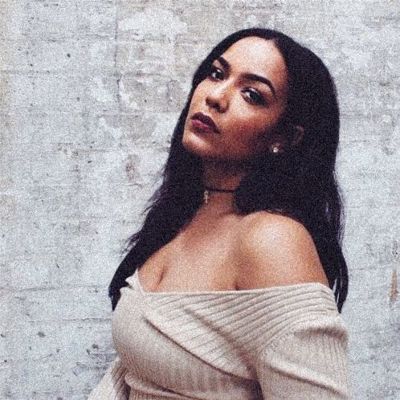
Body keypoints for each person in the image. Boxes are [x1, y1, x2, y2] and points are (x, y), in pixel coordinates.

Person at [88, 27, 350, 399]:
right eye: (216, 73)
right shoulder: (186, 214)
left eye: (252, 94)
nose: (215, 96)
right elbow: (137, 371)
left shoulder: (272, 240)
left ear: (284, 138)